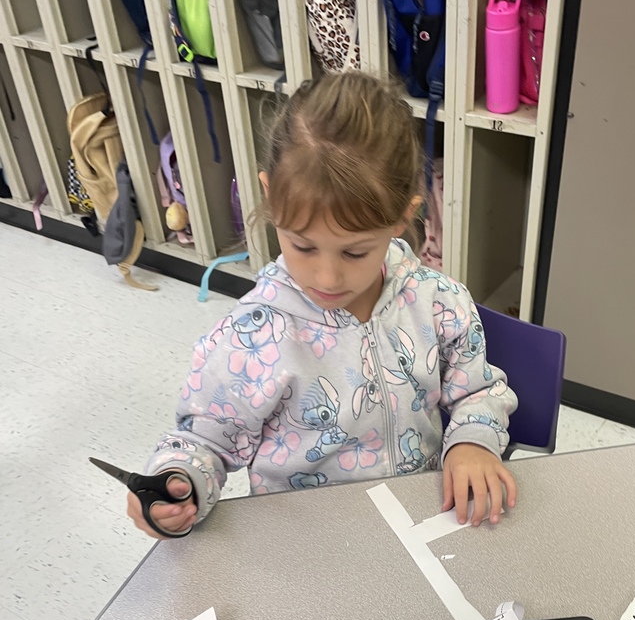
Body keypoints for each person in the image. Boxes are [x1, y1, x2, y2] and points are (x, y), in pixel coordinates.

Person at [128, 72, 518, 539]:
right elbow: (203, 442)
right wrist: (178, 482)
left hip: (422, 523)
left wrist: (472, 442)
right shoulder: (251, 337)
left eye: (355, 252)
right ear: (271, 195)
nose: (327, 278)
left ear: (403, 216)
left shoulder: (438, 302)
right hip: (305, 543)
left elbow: (477, 392)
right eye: (303, 246)